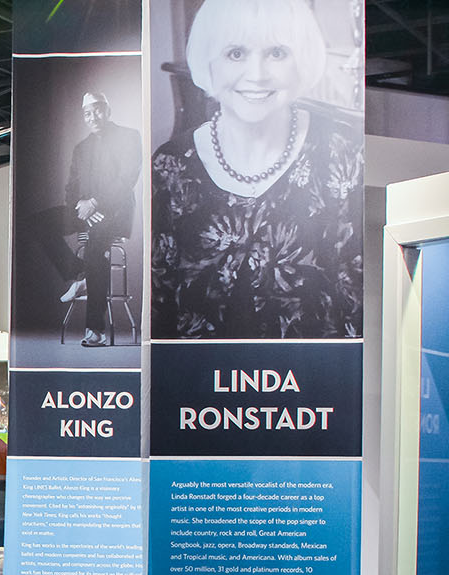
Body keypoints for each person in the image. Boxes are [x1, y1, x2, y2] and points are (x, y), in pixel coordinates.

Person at [151, 0, 362, 339]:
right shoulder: (171, 165)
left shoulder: (342, 152)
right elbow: (160, 306)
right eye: (235, 53)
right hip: (197, 387)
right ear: (209, 61)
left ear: (302, 59)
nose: (257, 74)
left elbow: (355, 303)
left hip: (314, 388)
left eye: (277, 53)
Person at [28, 91, 141, 348]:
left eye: (97, 110)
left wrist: (96, 203)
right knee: (37, 222)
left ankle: (95, 330)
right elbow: (71, 186)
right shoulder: (81, 148)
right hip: (86, 212)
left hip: (117, 211)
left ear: (108, 110)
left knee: (95, 245)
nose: (93, 117)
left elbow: (127, 178)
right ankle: (78, 274)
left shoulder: (129, 136)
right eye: (87, 113)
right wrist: (78, 207)